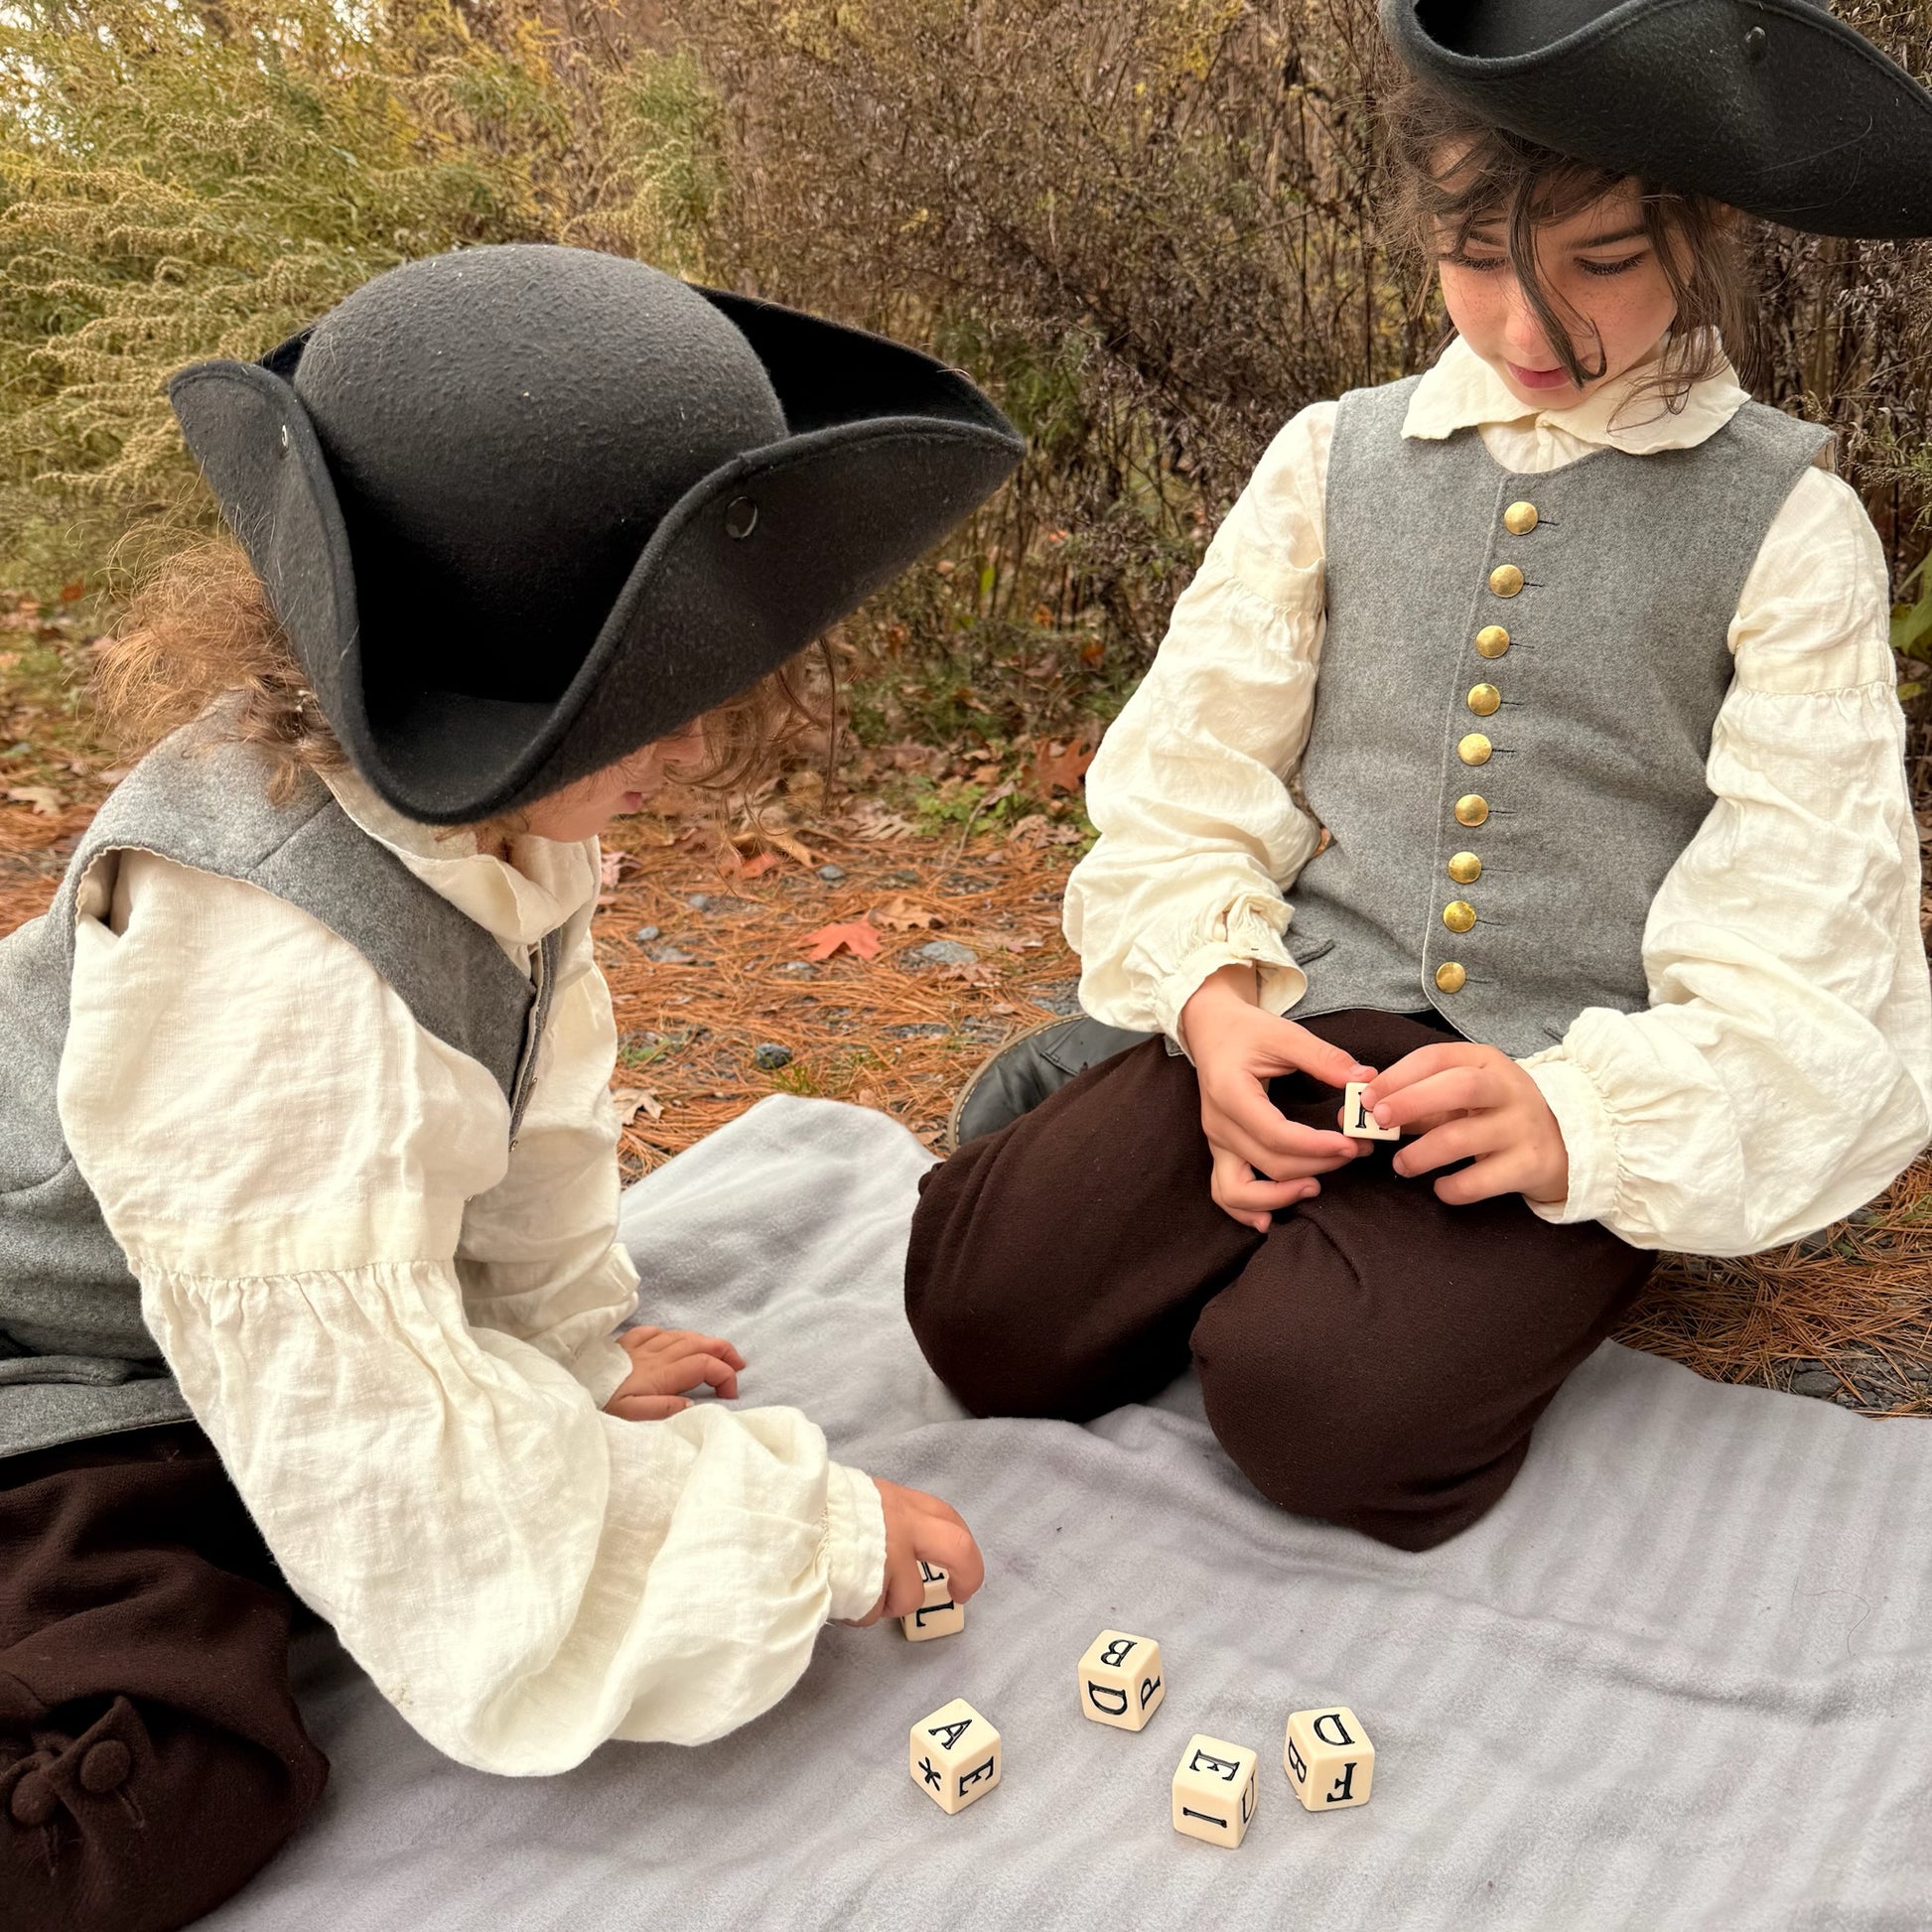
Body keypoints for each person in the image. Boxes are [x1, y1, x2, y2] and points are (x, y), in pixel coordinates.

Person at [0, 242, 1021, 1931]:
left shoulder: (496, 814)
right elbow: (365, 1436)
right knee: (156, 1783)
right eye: (642, 695)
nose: (696, 741)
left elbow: (538, 1091)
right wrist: (793, 1538)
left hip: (235, 1319)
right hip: (68, 1365)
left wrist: (564, 1346)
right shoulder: (265, 959)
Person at [905, 0, 1932, 1556]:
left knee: (1323, 1415)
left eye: (1598, 262)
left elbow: (1800, 919)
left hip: (1554, 1062)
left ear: (1698, 231)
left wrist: (1582, 1118)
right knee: (978, 1314)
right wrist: (1215, 1014)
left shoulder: (1787, 525)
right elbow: (1188, 774)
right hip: (1305, 1016)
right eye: (1474, 259)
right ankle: (1177, 1144)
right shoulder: (1333, 456)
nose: (1529, 331)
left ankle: (1465, 1260)